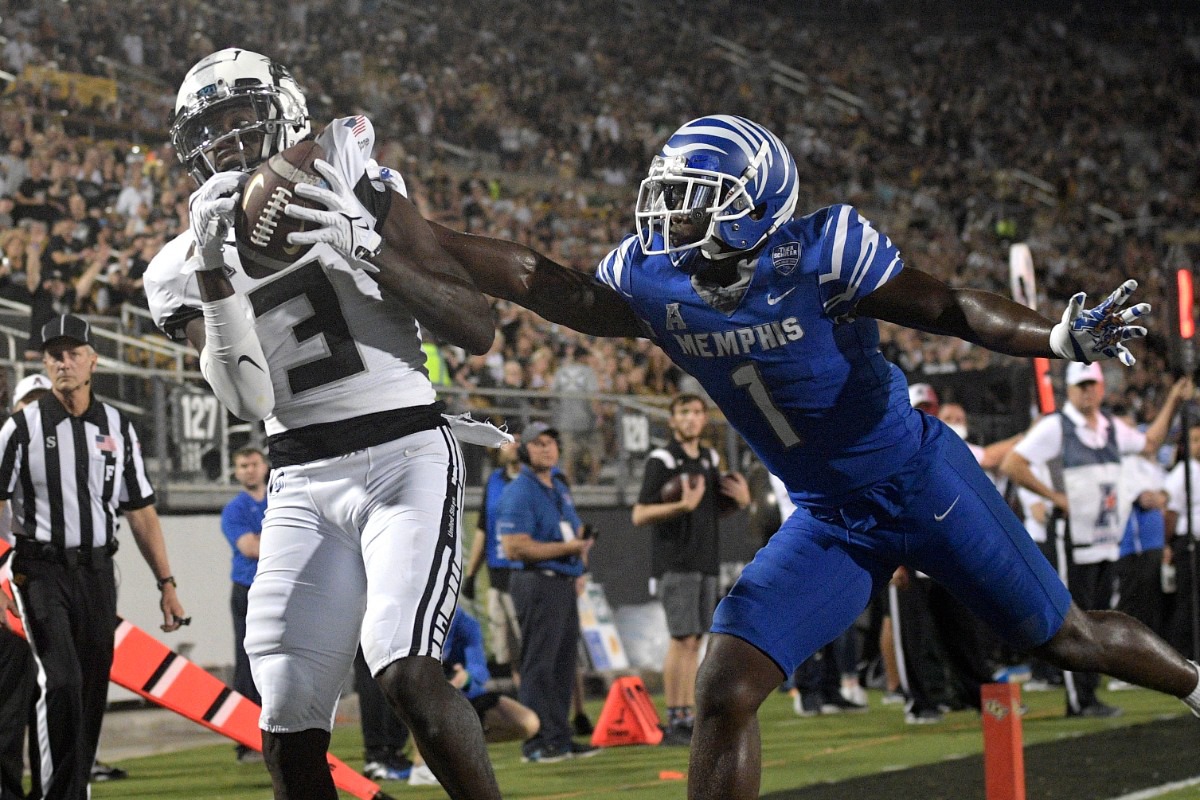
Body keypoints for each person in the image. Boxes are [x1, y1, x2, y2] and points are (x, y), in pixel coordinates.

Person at [319, 114, 1200, 800]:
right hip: (827, 518)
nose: (671, 216)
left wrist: (1052, 332)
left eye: (697, 199)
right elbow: (545, 283)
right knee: (725, 686)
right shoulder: (653, 275)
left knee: (1070, 641)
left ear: (755, 206)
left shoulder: (824, 248)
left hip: (918, 480)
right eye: (670, 194)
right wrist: (410, 227)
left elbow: (951, 310)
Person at [144, 49, 503, 800]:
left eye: (244, 118)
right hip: (300, 474)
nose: (232, 141)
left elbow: (477, 325)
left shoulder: (351, 181)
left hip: (405, 447)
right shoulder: (178, 262)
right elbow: (245, 402)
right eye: (213, 129)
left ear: (287, 111)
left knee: (402, 667)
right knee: (285, 720)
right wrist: (213, 268)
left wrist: (360, 240)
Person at [0, 315, 187, 800]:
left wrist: (166, 583)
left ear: (92, 360)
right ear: (44, 363)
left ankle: (71, 790)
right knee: (59, 681)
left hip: (99, 572)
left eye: (73, 353)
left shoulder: (118, 427)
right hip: (38, 570)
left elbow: (140, 508)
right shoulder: (20, 428)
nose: (65, 362)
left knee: (89, 691)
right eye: (55, 355)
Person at [1003, 361, 1191, 717]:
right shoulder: (1056, 427)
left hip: (1105, 537)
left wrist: (1173, 402)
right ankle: (1079, 698)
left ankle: (1089, 693)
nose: (1088, 391)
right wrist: (1054, 498)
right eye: (1081, 385)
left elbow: (1150, 442)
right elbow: (1014, 463)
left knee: (1098, 616)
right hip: (1073, 537)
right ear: (1070, 390)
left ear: (1102, 388)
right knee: (1073, 616)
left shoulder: (1109, 427)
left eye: (1093, 385)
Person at [631, 393, 750, 743]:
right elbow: (639, 514)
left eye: (697, 412)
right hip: (676, 562)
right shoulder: (663, 459)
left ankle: (688, 716)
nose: (691, 418)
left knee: (694, 641)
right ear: (672, 420)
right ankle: (674, 720)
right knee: (680, 638)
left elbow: (709, 511)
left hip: (705, 559)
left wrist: (740, 504)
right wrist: (681, 505)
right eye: (683, 412)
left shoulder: (711, 458)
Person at [495, 422, 598, 763]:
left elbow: (570, 530)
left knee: (562, 665)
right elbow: (513, 547)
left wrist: (579, 555)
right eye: (538, 444)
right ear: (524, 450)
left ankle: (560, 737)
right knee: (540, 664)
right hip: (537, 582)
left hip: (562, 581)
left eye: (551, 443)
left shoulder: (558, 486)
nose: (547, 449)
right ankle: (537, 742)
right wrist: (567, 547)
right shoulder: (519, 491)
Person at [406, 608, 540, 788]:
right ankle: (422, 767)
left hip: (464, 695)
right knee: (422, 694)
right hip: (429, 698)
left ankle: (456, 749)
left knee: (529, 723)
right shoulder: (412, 623)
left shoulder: (464, 623)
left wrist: (466, 678)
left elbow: (479, 669)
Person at [0, 374, 50, 800]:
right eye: (27, 404)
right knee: (10, 708)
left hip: (51, 596)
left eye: (41, 403)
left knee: (53, 702)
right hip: (8, 600)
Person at [464, 432, 526, 683]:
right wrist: (470, 574)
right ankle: (525, 707)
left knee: (529, 645)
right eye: (507, 440)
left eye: (517, 440)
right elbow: (483, 529)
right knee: (506, 650)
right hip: (497, 574)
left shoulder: (534, 479)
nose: (511, 446)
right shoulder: (494, 482)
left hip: (525, 573)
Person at [220, 446, 268, 762]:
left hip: (279, 588)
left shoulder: (279, 497)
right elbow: (250, 548)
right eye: (242, 465)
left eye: (253, 464)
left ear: (264, 466)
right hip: (248, 590)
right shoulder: (234, 510)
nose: (249, 470)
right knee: (247, 664)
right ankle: (246, 740)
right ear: (236, 472)